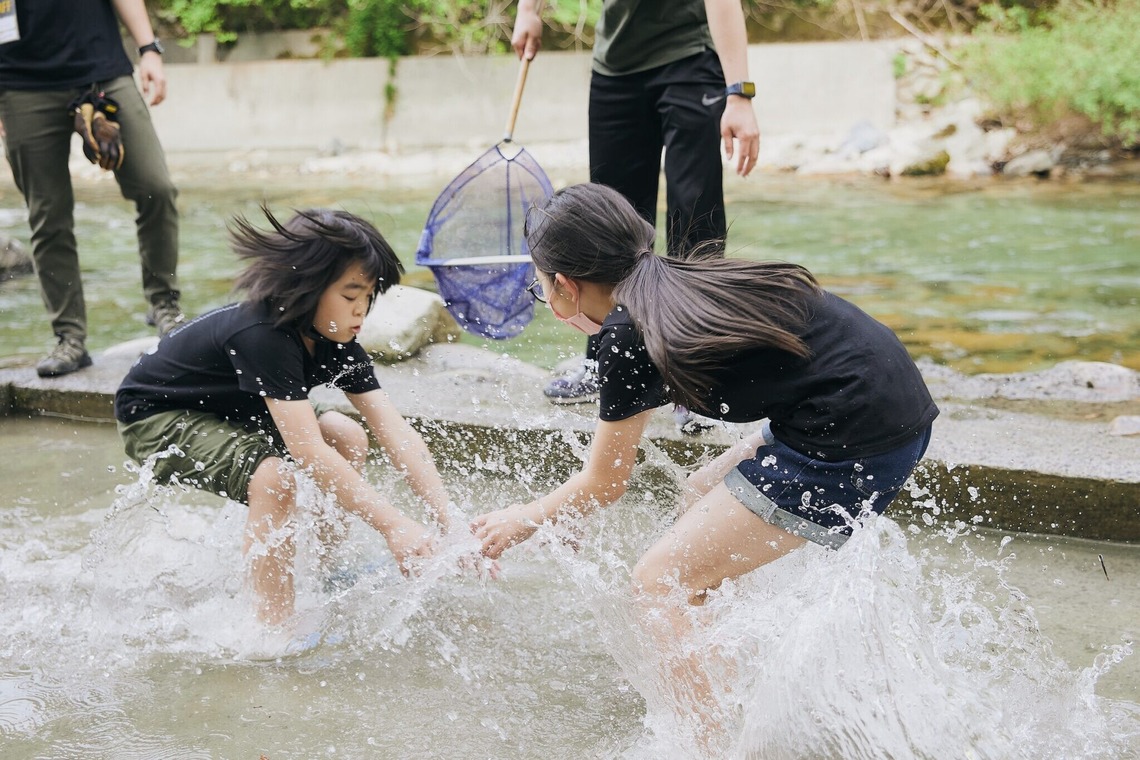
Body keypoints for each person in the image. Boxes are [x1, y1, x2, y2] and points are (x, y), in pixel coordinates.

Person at [471, 183, 937, 725]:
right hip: (882, 405)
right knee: (698, 495)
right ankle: (721, 670)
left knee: (657, 584)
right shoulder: (674, 281)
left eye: (540, 285)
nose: (544, 296)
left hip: (850, 438)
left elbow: (604, 483)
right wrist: (561, 510)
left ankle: (705, 737)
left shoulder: (627, 334)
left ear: (566, 286)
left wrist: (523, 517)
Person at [115, 207, 450, 626]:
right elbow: (307, 452)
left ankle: (323, 573)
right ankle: (272, 628)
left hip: (239, 403)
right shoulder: (263, 335)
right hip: (156, 415)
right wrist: (394, 525)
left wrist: (448, 521)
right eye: (350, 296)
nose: (361, 310)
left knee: (348, 435)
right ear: (305, 286)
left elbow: (394, 431)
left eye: (368, 296)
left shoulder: (338, 337)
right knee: (276, 478)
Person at [511, 0, 761, 417]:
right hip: (615, 69)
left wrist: (739, 93)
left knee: (694, 217)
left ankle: (696, 371)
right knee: (606, 221)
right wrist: (529, 11)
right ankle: (604, 360)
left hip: (688, 59)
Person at [0, 0, 183, 378]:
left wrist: (149, 49)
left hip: (104, 72)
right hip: (21, 86)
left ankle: (164, 305)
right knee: (48, 215)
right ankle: (70, 337)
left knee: (156, 188)